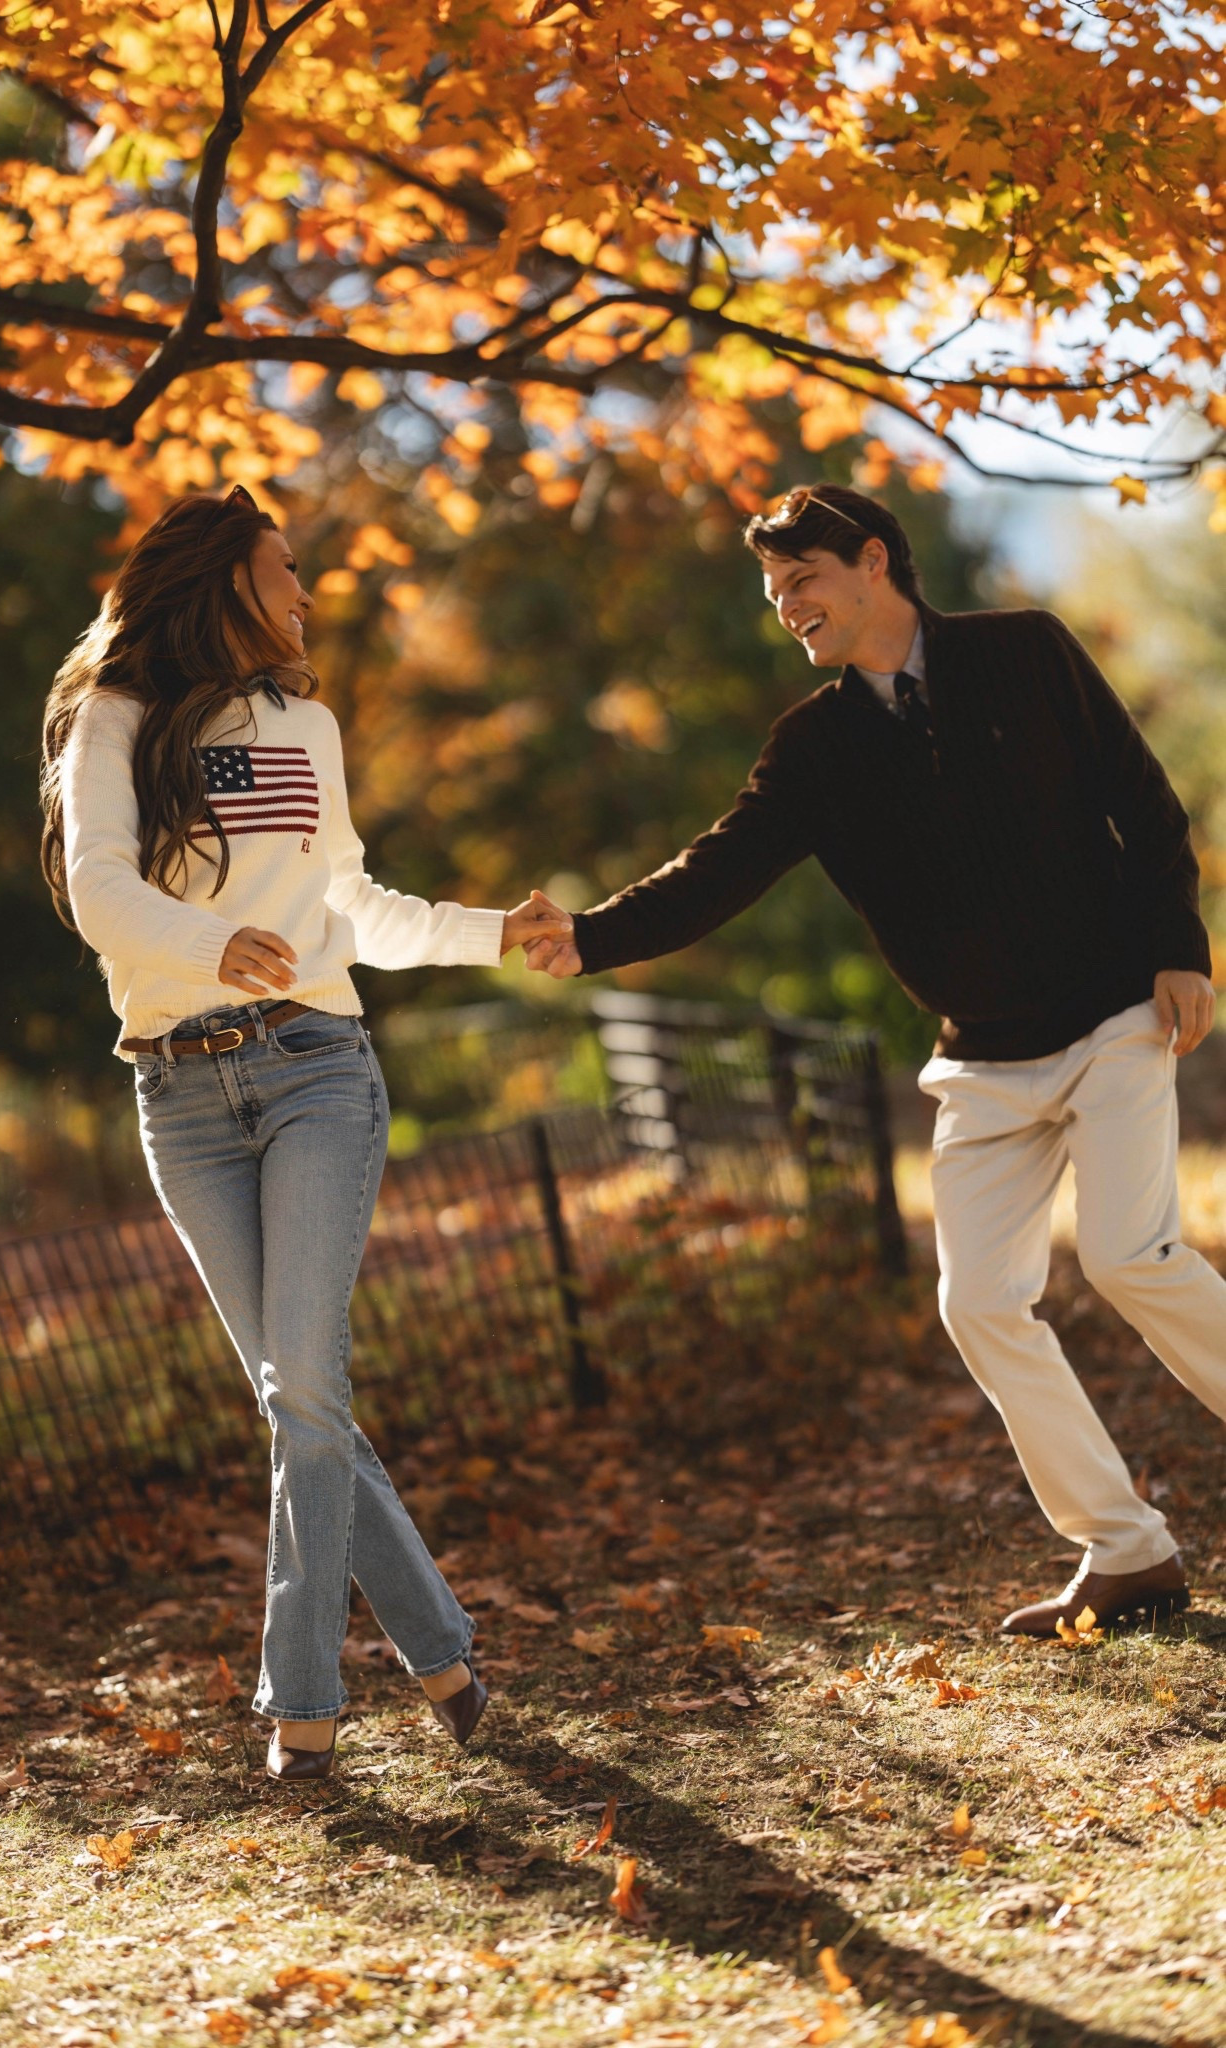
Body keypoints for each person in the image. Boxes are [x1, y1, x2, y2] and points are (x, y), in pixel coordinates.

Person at [525, 481, 1224, 1639]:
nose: (786, 607)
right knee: (979, 1302)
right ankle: (1126, 1551)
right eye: (772, 592)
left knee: (1128, 1252)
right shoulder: (814, 747)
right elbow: (719, 867)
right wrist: (589, 936)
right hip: (985, 1061)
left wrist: (1177, 947)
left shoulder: (1027, 653)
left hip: (1111, 1014)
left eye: (801, 580)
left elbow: (1140, 801)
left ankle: (1131, 1543)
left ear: (872, 561)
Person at [40, 484, 569, 1781]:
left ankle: (303, 1703)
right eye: (286, 569)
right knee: (300, 1398)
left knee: (308, 1391)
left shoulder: (307, 726)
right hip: (180, 1091)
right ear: (222, 581)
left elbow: (353, 907)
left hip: (315, 1068)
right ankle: (441, 1653)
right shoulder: (111, 720)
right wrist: (214, 940)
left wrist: (486, 931)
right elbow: (100, 888)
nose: (306, 591)